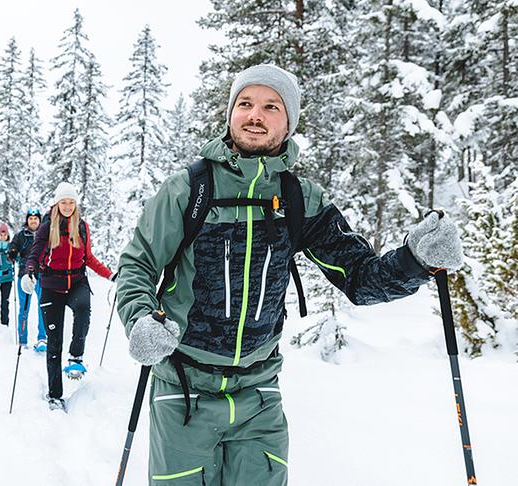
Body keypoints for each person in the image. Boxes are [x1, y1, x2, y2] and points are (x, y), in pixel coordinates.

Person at [115, 64, 464, 485]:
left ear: (289, 122)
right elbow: (138, 265)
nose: (254, 115)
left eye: (270, 106)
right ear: (230, 114)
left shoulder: (299, 198)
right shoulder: (188, 190)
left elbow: (360, 278)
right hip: (184, 390)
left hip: (259, 396)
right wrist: (139, 319)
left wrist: (417, 260)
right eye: (244, 104)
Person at [22, 182, 114, 410]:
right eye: (63, 201)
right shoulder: (46, 226)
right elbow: (34, 254)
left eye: (71, 202)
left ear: (75, 204)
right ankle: (55, 395)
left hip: (77, 282)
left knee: (83, 308)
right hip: (51, 285)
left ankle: (76, 357)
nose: (67, 206)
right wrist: (30, 273)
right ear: (57, 203)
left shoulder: (82, 226)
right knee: (54, 343)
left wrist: (110, 274)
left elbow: (89, 258)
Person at [8, 208, 47, 351]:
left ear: (39, 221)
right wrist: (12, 253)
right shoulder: (20, 236)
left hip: (42, 276)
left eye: (36, 219)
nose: (33, 221)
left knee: (43, 307)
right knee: (24, 308)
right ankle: (22, 340)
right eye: (30, 219)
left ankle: (42, 338)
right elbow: (12, 247)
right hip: (24, 276)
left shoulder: (45, 235)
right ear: (27, 221)